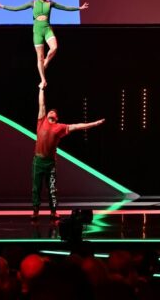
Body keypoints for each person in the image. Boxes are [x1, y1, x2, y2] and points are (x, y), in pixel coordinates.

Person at [0, 0, 89, 88]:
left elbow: (65, 8)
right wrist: (2, 6)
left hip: (47, 29)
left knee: (54, 48)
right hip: (37, 32)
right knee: (39, 57)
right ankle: (43, 80)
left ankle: (46, 61)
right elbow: (16, 8)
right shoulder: (33, 3)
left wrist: (79, 8)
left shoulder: (50, 3)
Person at [32, 86, 105, 220]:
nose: (51, 112)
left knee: (52, 189)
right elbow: (41, 104)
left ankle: (53, 212)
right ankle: (35, 212)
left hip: (50, 163)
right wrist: (41, 89)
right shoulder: (41, 121)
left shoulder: (60, 127)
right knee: (36, 188)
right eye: (50, 111)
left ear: (57, 117)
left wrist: (94, 124)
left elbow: (77, 126)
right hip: (38, 161)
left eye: (54, 112)